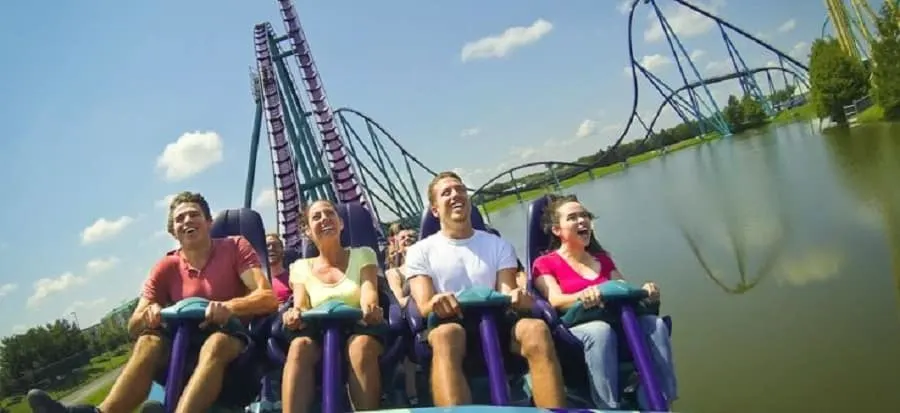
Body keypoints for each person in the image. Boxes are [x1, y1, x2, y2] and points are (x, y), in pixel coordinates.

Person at [27, 191, 279, 413]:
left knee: (216, 343)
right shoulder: (166, 267)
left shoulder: (235, 247)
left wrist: (229, 307)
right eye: (180, 219)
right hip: (185, 345)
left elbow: (266, 297)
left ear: (209, 222)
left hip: (232, 340)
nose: (187, 221)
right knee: (149, 340)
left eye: (194, 215)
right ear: (173, 231)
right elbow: (133, 324)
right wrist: (149, 314)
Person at [403, 171, 566, 408]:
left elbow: (506, 291)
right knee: (447, 335)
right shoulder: (419, 251)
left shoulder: (498, 246)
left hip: (498, 323)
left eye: (460, 190)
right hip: (451, 322)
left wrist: (517, 297)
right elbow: (425, 304)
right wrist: (438, 304)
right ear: (435, 209)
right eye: (446, 192)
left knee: (536, 329)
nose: (455, 195)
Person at [532, 194, 677, 410]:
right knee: (600, 331)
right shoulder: (545, 262)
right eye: (572, 217)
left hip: (615, 317)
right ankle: (607, 406)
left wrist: (645, 292)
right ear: (557, 230)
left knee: (654, 325)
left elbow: (621, 289)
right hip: (576, 326)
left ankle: (662, 397)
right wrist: (582, 296)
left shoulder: (603, 259)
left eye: (584, 216)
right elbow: (555, 300)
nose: (582, 221)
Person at [280, 200, 384, 412]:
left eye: (329, 214)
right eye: (316, 217)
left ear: (341, 223)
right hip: (318, 332)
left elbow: (368, 292)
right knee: (299, 347)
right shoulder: (300, 267)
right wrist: (294, 314)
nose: (325, 219)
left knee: (360, 346)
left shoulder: (363, 254)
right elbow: (300, 303)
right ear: (308, 231)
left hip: (360, 326)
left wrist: (370, 308)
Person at [384, 228, 420, 406]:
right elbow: (399, 299)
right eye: (403, 238)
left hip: (430, 311)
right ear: (397, 246)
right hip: (408, 316)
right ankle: (412, 392)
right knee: (404, 330)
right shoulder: (394, 273)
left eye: (412, 237)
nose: (408, 239)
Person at [266, 233, 292, 304]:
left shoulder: (293, 279)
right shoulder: (256, 282)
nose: (271, 248)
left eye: (275, 245)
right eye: (267, 245)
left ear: (283, 251)